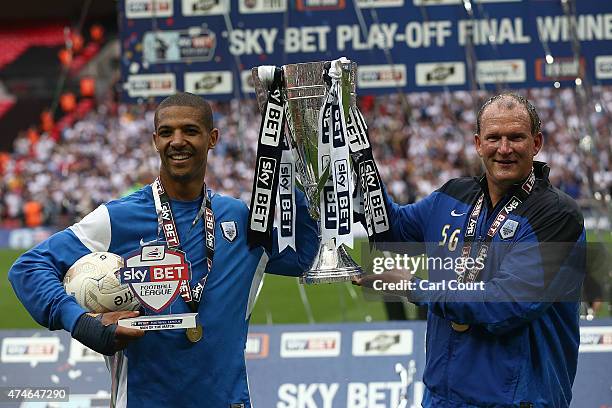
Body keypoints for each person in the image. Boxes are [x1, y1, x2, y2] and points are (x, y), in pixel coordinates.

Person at [8, 92, 318, 407]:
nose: (177, 140)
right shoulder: (119, 218)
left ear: (212, 138)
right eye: (167, 132)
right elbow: (28, 268)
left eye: (190, 131)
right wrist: (80, 323)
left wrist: (293, 170)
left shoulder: (236, 217)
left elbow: (300, 257)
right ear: (156, 140)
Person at [355, 93, 585, 407]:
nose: (504, 149)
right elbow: (389, 229)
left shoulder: (557, 215)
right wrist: (355, 162)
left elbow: (506, 305)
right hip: (442, 398)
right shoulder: (452, 196)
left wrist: (413, 287)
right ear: (478, 143)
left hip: (517, 401)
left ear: (536, 143)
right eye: (494, 138)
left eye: (516, 137)